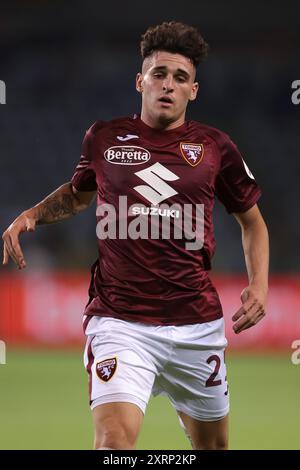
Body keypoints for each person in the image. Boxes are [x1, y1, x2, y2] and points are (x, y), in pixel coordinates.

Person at [2, 21, 269, 450]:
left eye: (180, 78)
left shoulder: (216, 147)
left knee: (214, 447)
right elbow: (77, 195)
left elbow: (252, 221)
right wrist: (32, 215)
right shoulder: (104, 138)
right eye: (159, 74)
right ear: (140, 80)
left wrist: (259, 284)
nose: (168, 85)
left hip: (196, 325)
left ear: (193, 91)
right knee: (113, 447)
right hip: (119, 321)